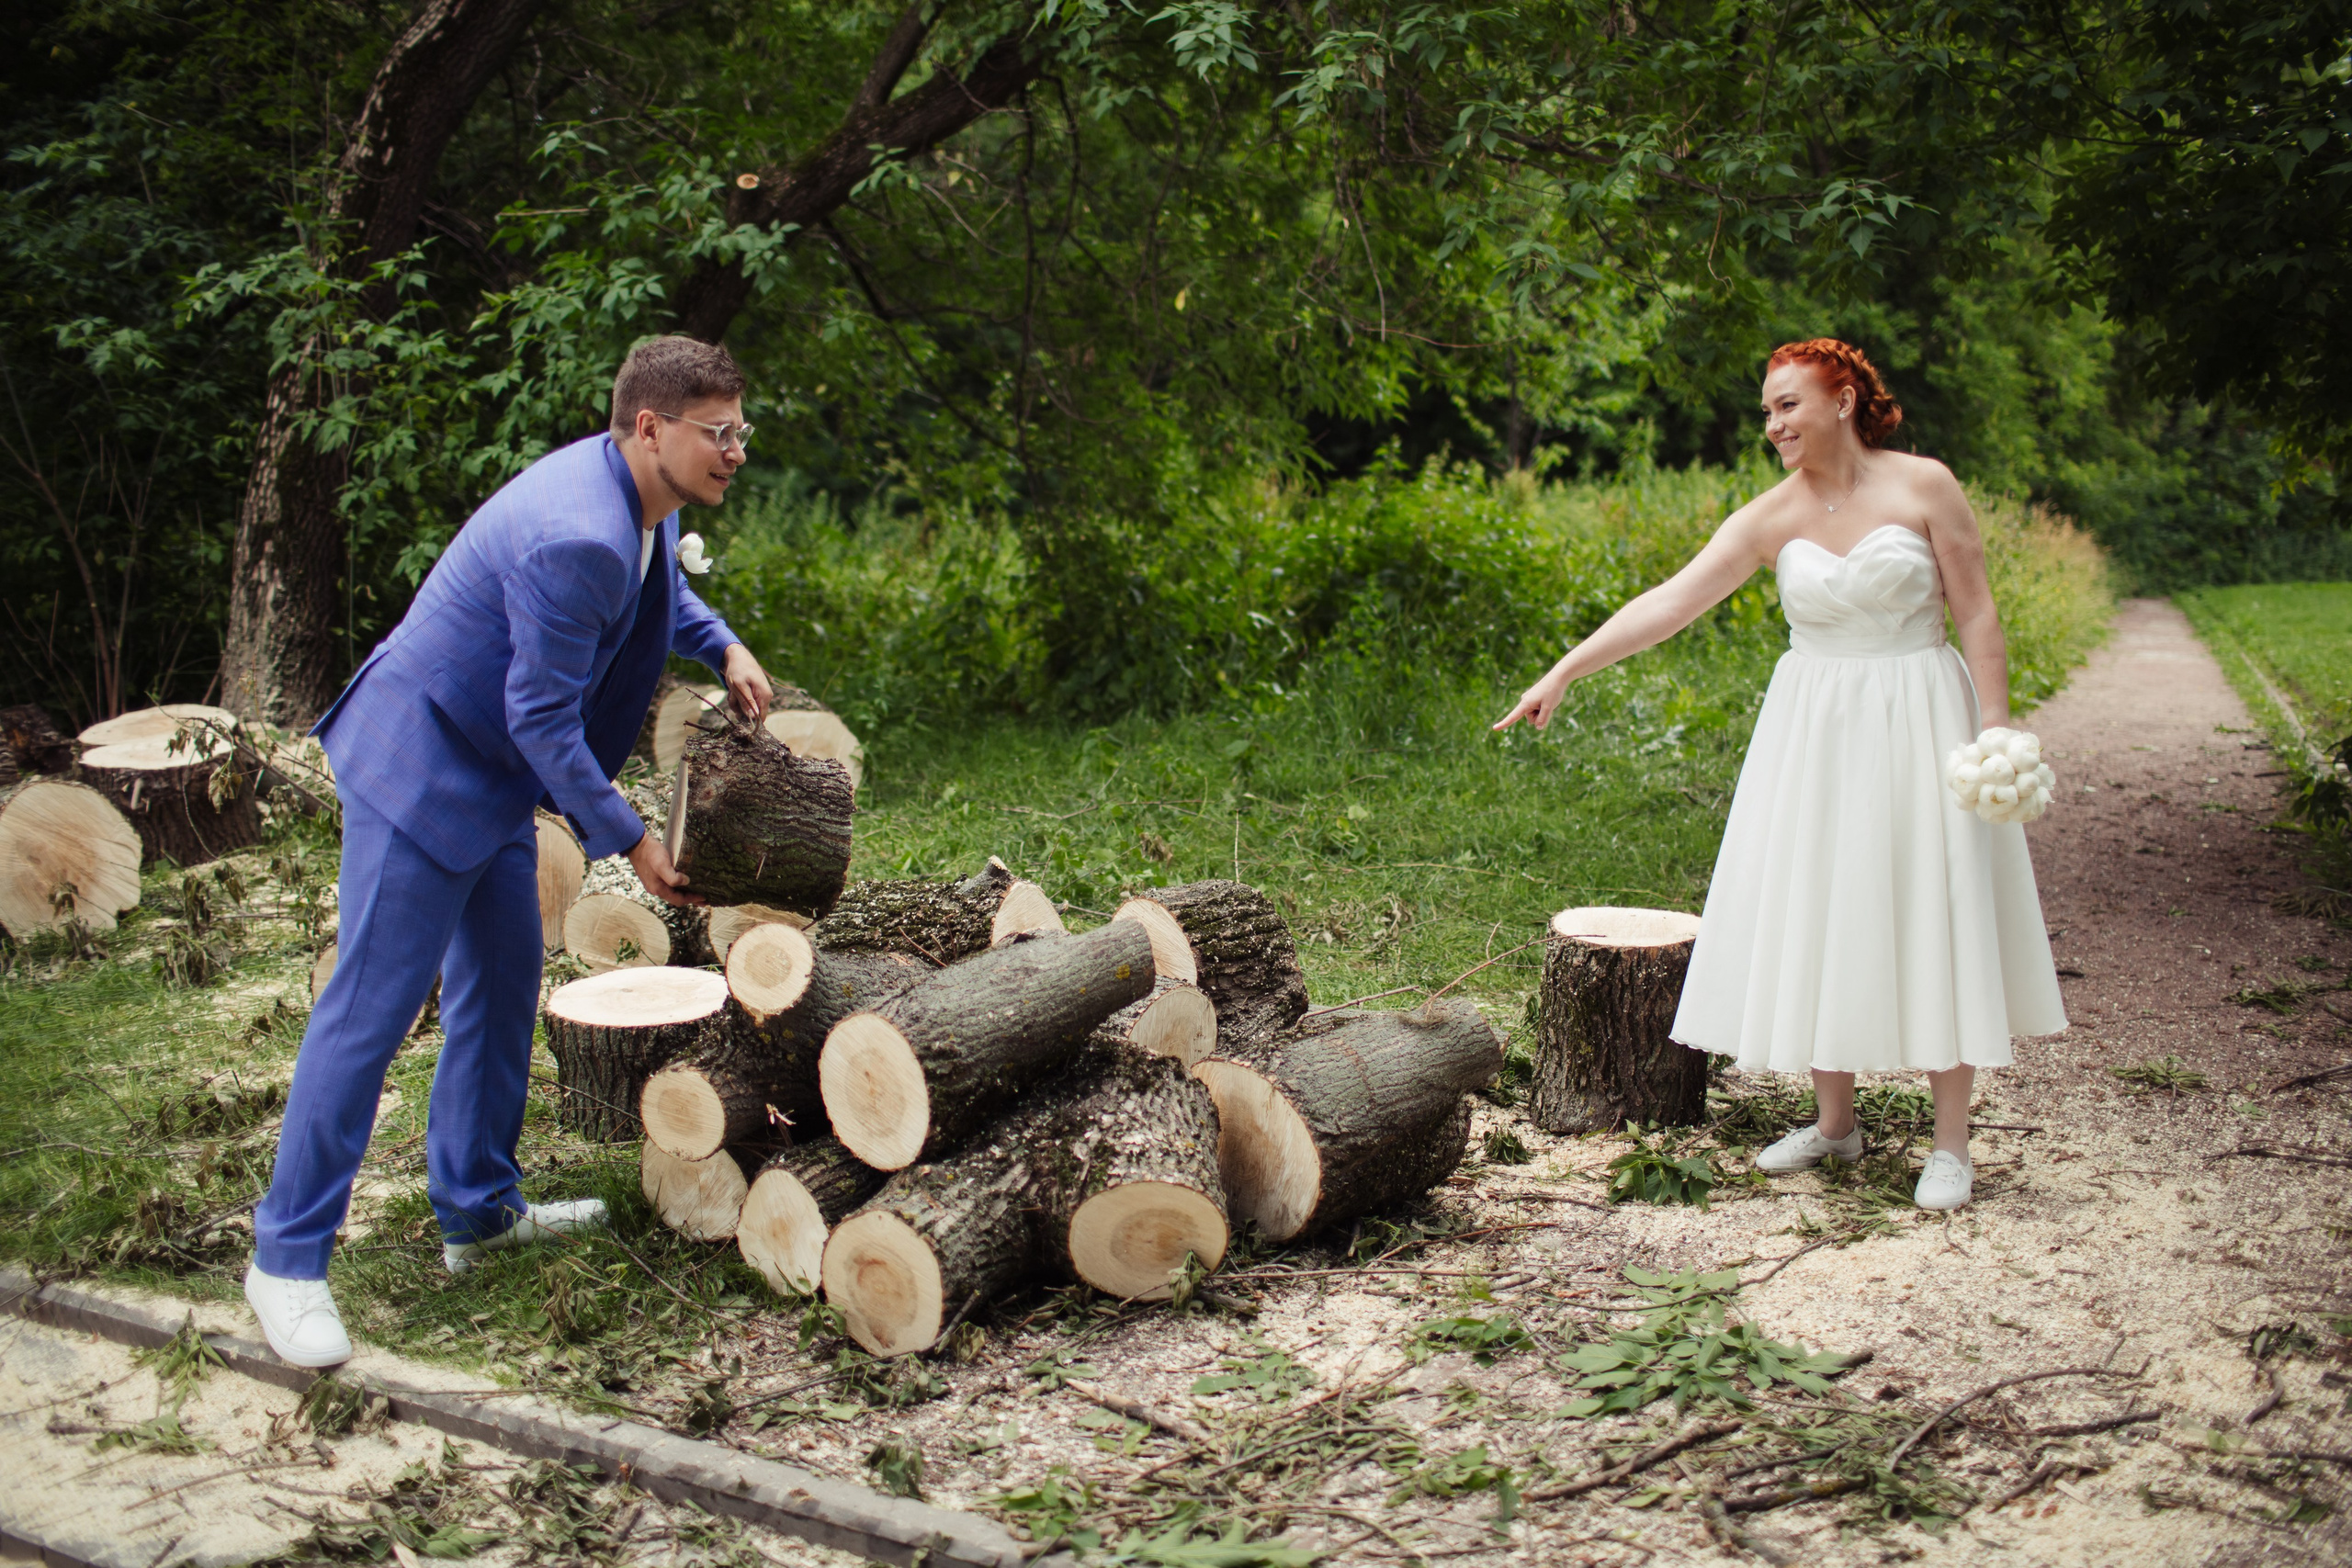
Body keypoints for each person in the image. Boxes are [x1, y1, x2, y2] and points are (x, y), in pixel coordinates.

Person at [243, 335, 777, 1368]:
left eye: (740, 429)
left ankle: (478, 1212)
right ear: (652, 429)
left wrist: (722, 644)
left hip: (489, 773)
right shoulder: (575, 532)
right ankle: (287, 1260)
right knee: (369, 1010)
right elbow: (537, 717)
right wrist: (625, 838)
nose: (735, 451)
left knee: (500, 985)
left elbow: (661, 587)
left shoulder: (636, 498)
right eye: (719, 433)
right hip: (422, 766)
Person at [1493, 338, 2065, 1212]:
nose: (1773, 424)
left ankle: (1952, 1143)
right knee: (1821, 899)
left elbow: (1977, 608)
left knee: (1936, 899)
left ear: (1843, 398)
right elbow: (1671, 601)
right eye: (1767, 411)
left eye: (1788, 404)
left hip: (1920, 707)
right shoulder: (1772, 515)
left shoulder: (1925, 485)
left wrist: (1993, 731)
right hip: (1816, 722)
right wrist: (1566, 668)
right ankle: (1835, 1123)